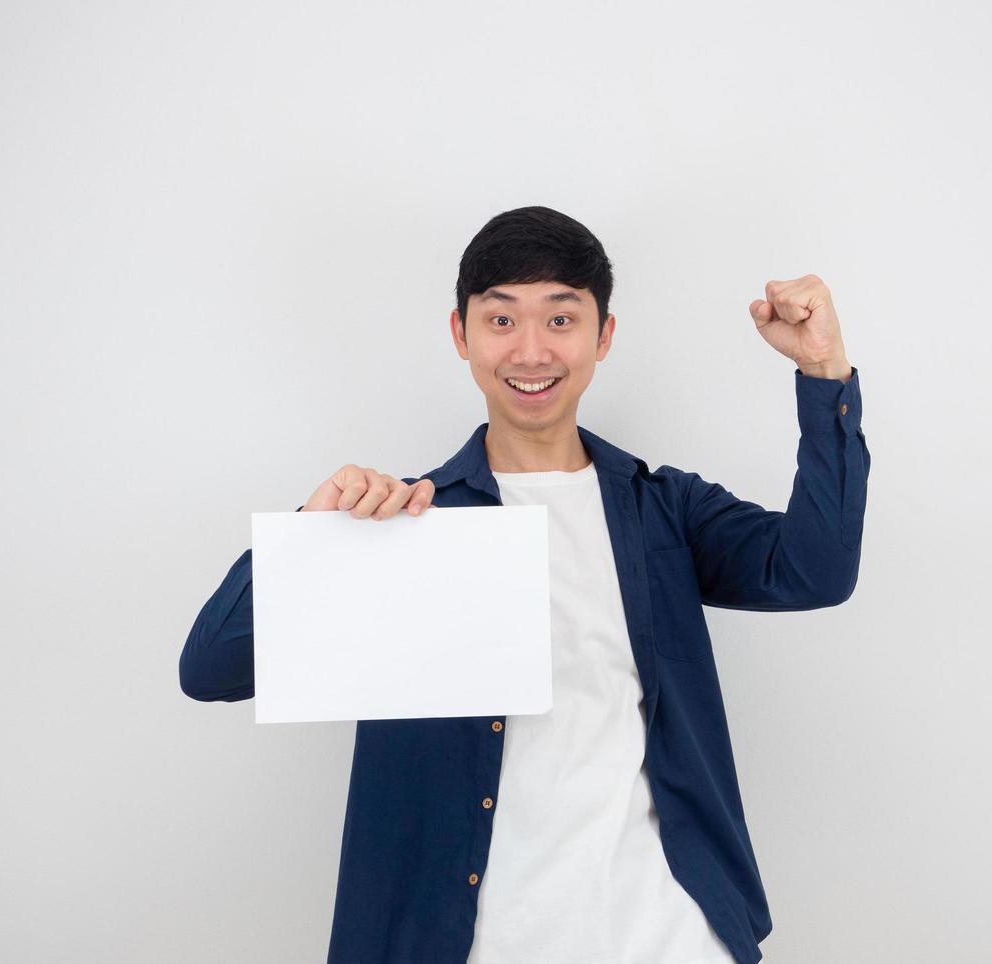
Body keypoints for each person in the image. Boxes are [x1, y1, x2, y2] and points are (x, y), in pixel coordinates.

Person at [179, 205, 870, 964]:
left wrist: (823, 373)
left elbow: (814, 571)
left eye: (561, 319)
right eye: (501, 320)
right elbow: (210, 671)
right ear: (461, 334)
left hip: (670, 939)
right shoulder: (403, 524)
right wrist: (313, 532)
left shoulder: (664, 510)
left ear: (603, 336)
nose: (532, 350)